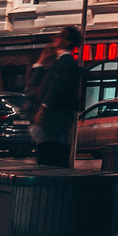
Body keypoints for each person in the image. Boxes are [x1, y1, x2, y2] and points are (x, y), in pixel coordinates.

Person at [25, 26, 85, 167]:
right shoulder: (56, 62)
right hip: (53, 117)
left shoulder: (66, 62)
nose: (55, 38)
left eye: (61, 35)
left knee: (52, 154)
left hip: (57, 117)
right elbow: (34, 82)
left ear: (68, 42)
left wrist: (43, 109)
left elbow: (57, 87)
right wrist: (42, 58)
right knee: (47, 151)